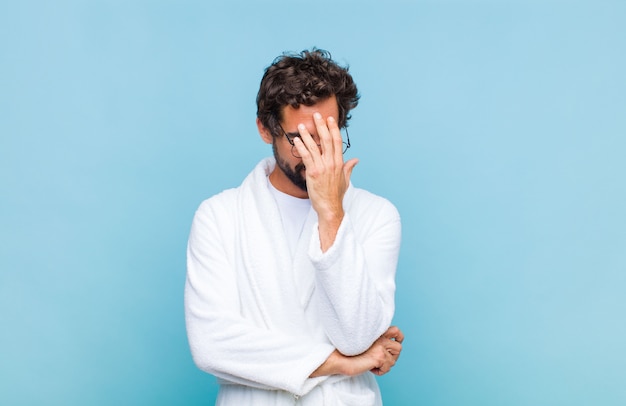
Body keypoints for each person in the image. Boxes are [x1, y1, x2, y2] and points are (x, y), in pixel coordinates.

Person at [184, 48, 404, 405]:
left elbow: (357, 338)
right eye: (301, 139)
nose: (317, 153)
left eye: (328, 136)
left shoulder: (377, 215)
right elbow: (211, 343)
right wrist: (339, 364)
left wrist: (332, 213)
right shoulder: (219, 216)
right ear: (265, 128)